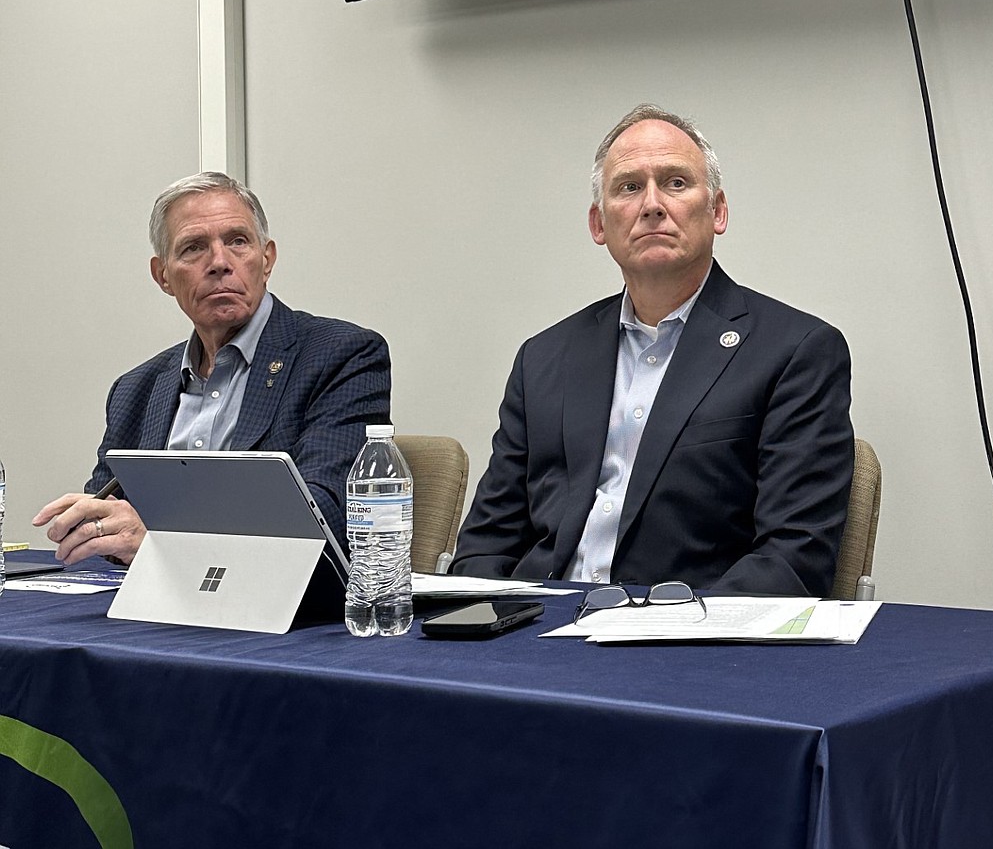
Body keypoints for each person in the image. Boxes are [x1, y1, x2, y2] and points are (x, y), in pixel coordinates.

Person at [452, 105, 853, 595]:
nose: (653, 204)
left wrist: (668, 631)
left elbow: (793, 559)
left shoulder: (795, 351)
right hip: (537, 636)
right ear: (599, 225)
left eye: (677, 183)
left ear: (718, 211)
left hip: (684, 643)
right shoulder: (543, 359)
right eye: (628, 187)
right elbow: (485, 547)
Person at [33, 172, 390, 565]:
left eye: (238, 241)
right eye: (193, 248)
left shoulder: (340, 355)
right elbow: (109, 524)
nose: (220, 262)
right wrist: (88, 525)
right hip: (156, 608)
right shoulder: (136, 389)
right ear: (163, 276)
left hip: (285, 612)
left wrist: (159, 542)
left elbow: (326, 514)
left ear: (267, 259)